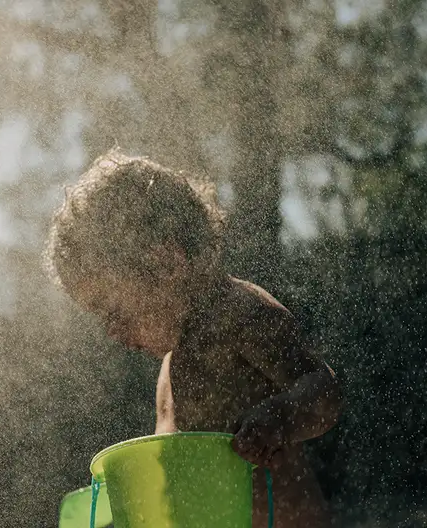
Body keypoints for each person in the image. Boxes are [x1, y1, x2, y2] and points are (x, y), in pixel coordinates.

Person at [44, 148, 342, 527]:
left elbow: (323, 387)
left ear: (166, 263)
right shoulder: (169, 368)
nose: (110, 330)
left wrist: (280, 419)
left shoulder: (238, 313)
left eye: (111, 309)